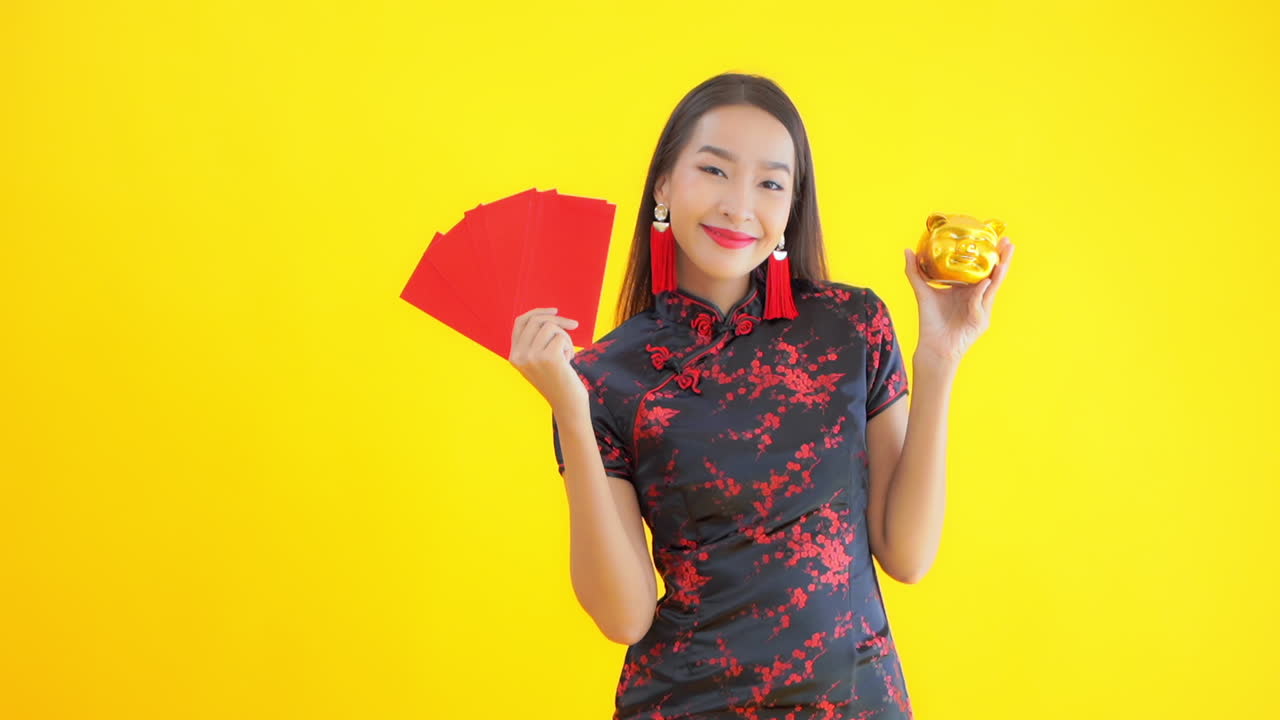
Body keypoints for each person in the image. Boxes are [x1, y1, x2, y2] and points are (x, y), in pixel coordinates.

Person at [509, 72, 1014, 720]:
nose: (738, 205)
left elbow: (907, 555)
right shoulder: (604, 377)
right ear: (664, 183)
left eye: (770, 182)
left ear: (791, 206)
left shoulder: (852, 325)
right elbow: (623, 616)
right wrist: (569, 410)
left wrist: (941, 355)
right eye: (715, 171)